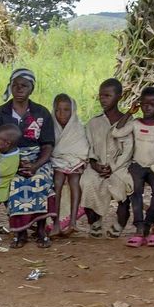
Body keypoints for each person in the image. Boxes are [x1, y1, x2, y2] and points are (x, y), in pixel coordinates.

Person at [0, 68, 57, 249]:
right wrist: (12, 164)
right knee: (13, 181)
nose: (19, 89)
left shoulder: (41, 113)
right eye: (15, 85)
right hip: (9, 159)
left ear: (31, 88)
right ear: (10, 87)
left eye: (24, 85)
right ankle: (20, 232)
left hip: (37, 158)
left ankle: (41, 229)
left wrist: (35, 165)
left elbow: (48, 145)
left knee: (41, 179)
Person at [114, 87, 154, 247]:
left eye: (152, 104)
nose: (148, 107)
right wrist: (129, 112)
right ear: (139, 104)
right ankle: (139, 227)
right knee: (135, 191)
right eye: (144, 104)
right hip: (138, 164)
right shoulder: (135, 123)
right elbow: (117, 132)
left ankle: (149, 224)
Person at [81, 79, 133, 238]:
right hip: (98, 166)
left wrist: (114, 167)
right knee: (87, 182)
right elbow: (89, 148)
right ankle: (94, 221)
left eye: (107, 95)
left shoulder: (129, 122)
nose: (103, 99)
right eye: (101, 96)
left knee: (123, 188)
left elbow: (129, 150)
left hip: (120, 167)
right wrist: (95, 164)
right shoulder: (93, 123)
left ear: (119, 97)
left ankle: (121, 223)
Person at [51, 94, 89, 237]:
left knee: (75, 181)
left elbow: (82, 148)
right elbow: (52, 148)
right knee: (58, 182)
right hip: (57, 162)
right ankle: (56, 223)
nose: (62, 114)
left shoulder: (77, 127)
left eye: (66, 110)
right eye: (58, 110)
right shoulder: (51, 127)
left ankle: (73, 222)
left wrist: (72, 161)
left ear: (72, 111)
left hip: (74, 162)